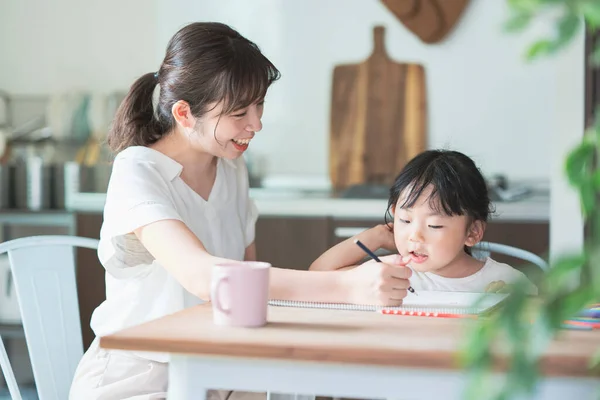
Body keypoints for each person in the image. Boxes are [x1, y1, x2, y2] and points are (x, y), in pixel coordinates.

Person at [69, 22, 412, 400]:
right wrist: (346, 287)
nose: (256, 124)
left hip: (217, 369)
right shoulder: (138, 169)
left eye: (259, 104)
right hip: (138, 378)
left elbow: (249, 289)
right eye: (238, 113)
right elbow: (203, 277)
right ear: (184, 114)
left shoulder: (232, 167)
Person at [310, 149, 537, 295]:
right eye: (405, 220)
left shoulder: (508, 284)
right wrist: (377, 235)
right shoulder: (389, 275)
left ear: (473, 231)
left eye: (434, 225)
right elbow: (318, 275)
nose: (415, 236)